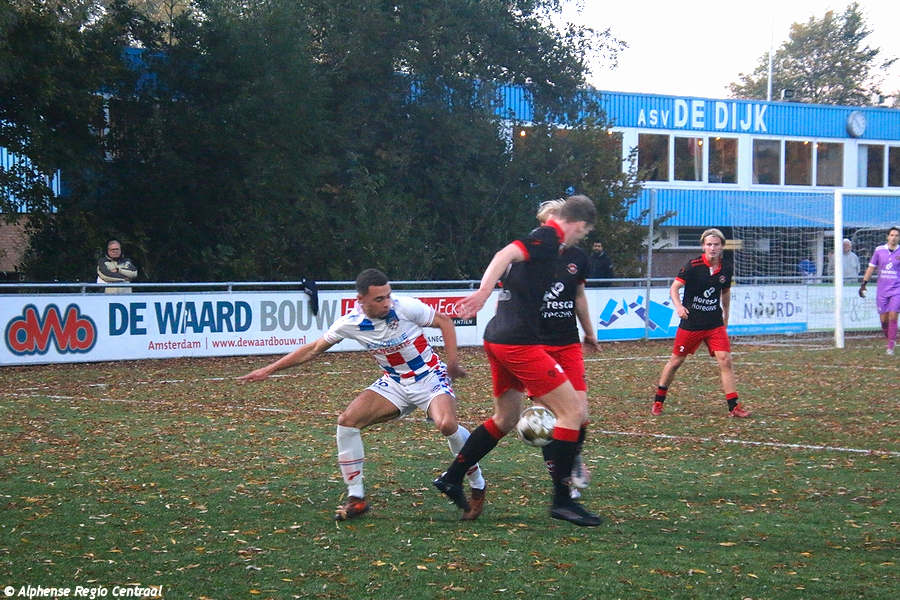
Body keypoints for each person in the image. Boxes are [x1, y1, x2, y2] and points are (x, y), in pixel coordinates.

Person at [239, 268, 486, 521]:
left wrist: (452, 362)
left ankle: (477, 486)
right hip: (395, 382)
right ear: (361, 300)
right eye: (379, 299)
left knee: (447, 425)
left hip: (430, 376)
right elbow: (313, 349)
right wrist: (269, 369)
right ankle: (356, 498)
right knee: (347, 422)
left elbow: (444, 321)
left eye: (388, 296)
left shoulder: (405, 307)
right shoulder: (350, 323)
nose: (387, 303)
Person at [433, 194, 603, 527]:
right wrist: (483, 292)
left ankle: (452, 477)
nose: (581, 238)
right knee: (572, 412)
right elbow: (505, 253)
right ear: (579, 224)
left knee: (506, 417)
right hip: (518, 342)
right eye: (584, 232)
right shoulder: (549, 236)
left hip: (498, 337)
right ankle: (563, 501)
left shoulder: (550, 243)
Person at [535, 199, 600, 500]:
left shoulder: (578, 257)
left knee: (580, 413)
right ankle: (561, 479)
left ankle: (572, 458)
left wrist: (589, 332)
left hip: (568, 343)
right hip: (536, 347)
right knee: (549, 417)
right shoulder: (530, 255)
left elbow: (579, 296)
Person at [651, 228, 750, 418]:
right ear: (703, 246)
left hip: (714, 324)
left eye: (716, 244)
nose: (713, 248)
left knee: (725, 360)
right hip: (691, 324)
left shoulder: (726, 268)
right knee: (675, 362)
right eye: (709, 244)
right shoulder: (693, 266)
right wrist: (679, 307)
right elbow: (674, 288)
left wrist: (726, 316)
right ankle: (658, 400)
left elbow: (725, 293)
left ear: (722, 247)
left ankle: (734, 407)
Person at [859, 227, 900, 356]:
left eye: (896, 235)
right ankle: (890, 338)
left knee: (893, 315)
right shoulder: (879, 250)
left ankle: (890, 346)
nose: (894, 238)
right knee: (883, 320)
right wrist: (864, 284)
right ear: (887, 237)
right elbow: (871, 268)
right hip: (882, 290)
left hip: (897, 289)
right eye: (892, 235)